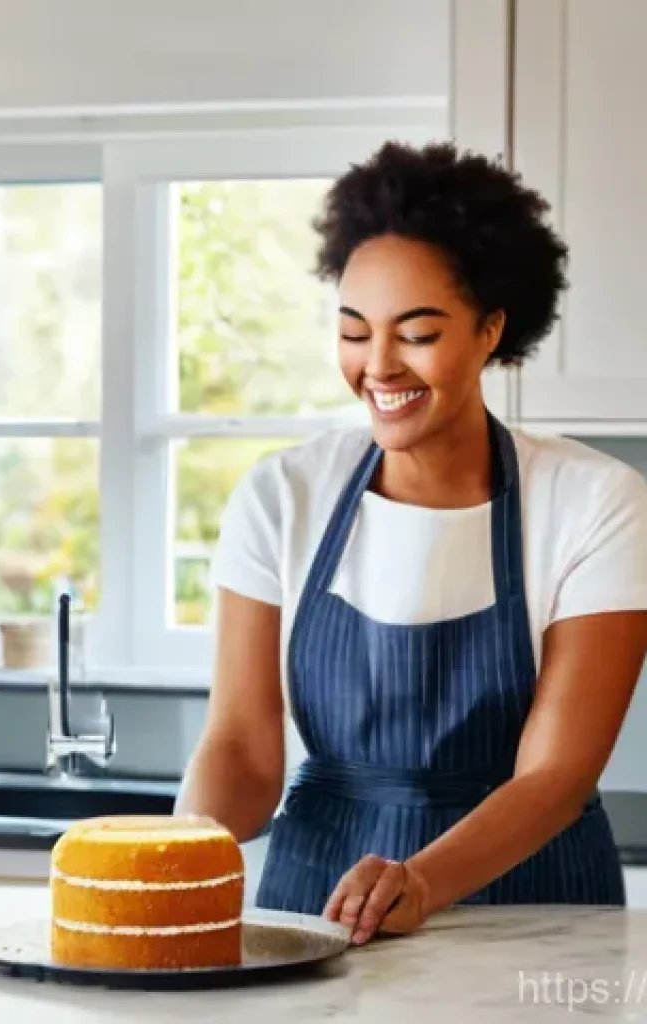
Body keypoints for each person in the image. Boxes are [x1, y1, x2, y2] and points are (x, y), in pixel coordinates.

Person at [175, 141, 647, 946]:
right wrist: (174, 854)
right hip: (315, 907)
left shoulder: (594, 502)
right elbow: (245, 747)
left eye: (418, 333)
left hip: (532, 911)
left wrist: (422, 880)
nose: (378, 365)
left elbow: (557, 778)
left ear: (491, 330)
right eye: (354, 331)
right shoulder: (281, 495)